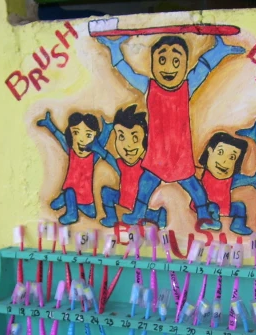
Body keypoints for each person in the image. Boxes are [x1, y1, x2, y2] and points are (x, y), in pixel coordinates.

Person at [96, 34, 246, 230]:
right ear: (152, 64)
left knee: (195, 189)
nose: (169, 67)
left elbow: (203, 67)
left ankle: (204, 215)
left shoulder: (186, 87)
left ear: (184, 66)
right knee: (145, 185)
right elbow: (126, 71)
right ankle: (138, 213)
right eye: (162, 60)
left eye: (176, 61)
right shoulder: (149, 87)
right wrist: (115, 50)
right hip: (156, 156)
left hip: (179, 157)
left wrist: (219, 50)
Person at [89, 104, 167, 228]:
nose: (128, 145)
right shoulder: (121, 164)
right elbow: (109, 158)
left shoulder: (147, 167)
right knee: (107, 193)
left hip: (144, 208)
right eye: (121, 137)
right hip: (124, 201)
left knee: (161, 213)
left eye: (135, 137)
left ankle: (158, 221)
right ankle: (111, 218)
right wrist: (98, 148)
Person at [37, 111, 112, 225]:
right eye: (76, 133)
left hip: (85, 200)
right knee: (58, 201)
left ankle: (72, 213)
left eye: (88, 135)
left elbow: (101, 143)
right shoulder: (71, 152)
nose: (81, 140)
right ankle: (69, 202)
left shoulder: (93, 156)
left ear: (94, 137)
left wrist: (107, 130)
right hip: (75, 197)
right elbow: (59, 136)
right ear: (70, 135)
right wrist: (48, 123)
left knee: (71, 192)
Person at [194, 131, 254, 235]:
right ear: (210, 151)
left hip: (225, 207)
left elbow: (247, 179)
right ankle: (209, 220)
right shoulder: (204, 172)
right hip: (206, 205)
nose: (224, 161)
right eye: (220, 152)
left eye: (232, 157)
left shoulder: (232, 178)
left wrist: (254, 178)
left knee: (240, 206)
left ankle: (238, 225)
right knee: (213, 207)